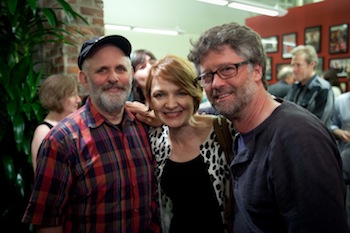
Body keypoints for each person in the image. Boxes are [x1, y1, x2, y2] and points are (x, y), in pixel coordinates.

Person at [187, 22, 348, 233]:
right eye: (207, 76)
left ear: (257, 70)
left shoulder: (298, 138)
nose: (215, 84)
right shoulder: (241, 127)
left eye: (227, 69)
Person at [22, 35, 160, 233]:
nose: (113, 78)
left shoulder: (144, 127)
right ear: (84, 80)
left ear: (130, 74)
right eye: (102, 70)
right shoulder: (61, 140)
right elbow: (48, 224)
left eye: (120, 69)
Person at [144, 54, 233, 233]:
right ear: (150, 101)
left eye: (181, 92)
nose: (170, 104)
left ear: (194, 93)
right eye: (160, 94)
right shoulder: (154, 140)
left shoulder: (224, 131)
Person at [31, 74, 81, 172]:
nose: (78, 100)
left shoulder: (71, 125)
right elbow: (43, 176)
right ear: (58, 98)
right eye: (72, 95)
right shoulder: (43, 131)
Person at [284, 45, 334, 128]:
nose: (294, 69)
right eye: (293, 65)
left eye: (299, 65)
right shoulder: (295, 87)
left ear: (312, 64)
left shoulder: (322, 88)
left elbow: (319, 124)